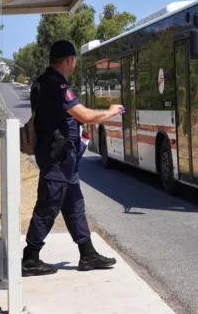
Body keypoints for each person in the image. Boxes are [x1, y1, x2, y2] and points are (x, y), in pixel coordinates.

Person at [23, 40, 124, 277]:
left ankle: (87, 253)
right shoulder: (56, 85)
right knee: (48, 206)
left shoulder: (40, 82)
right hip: (56, 158)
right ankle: (30, 257)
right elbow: (84, 114)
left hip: (62, 158)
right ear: (69, 59)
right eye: (74, 60)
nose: (75, 64)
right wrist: (110, 111)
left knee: (74, 205)